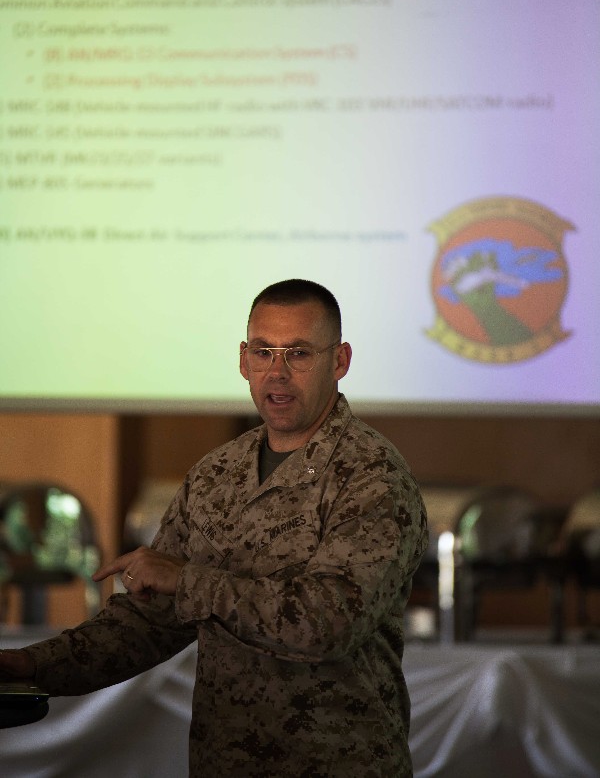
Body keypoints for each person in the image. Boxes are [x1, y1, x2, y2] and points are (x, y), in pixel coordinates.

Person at [0, 278, 428, 777]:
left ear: (340, 362)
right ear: (244, 360)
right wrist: (32, 666)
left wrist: (188, 580)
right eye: (264, 352)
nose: (278, 373)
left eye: (300, 353)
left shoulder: (372, 476)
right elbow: (153, 619)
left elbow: (326, 625)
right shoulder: (216, 473)